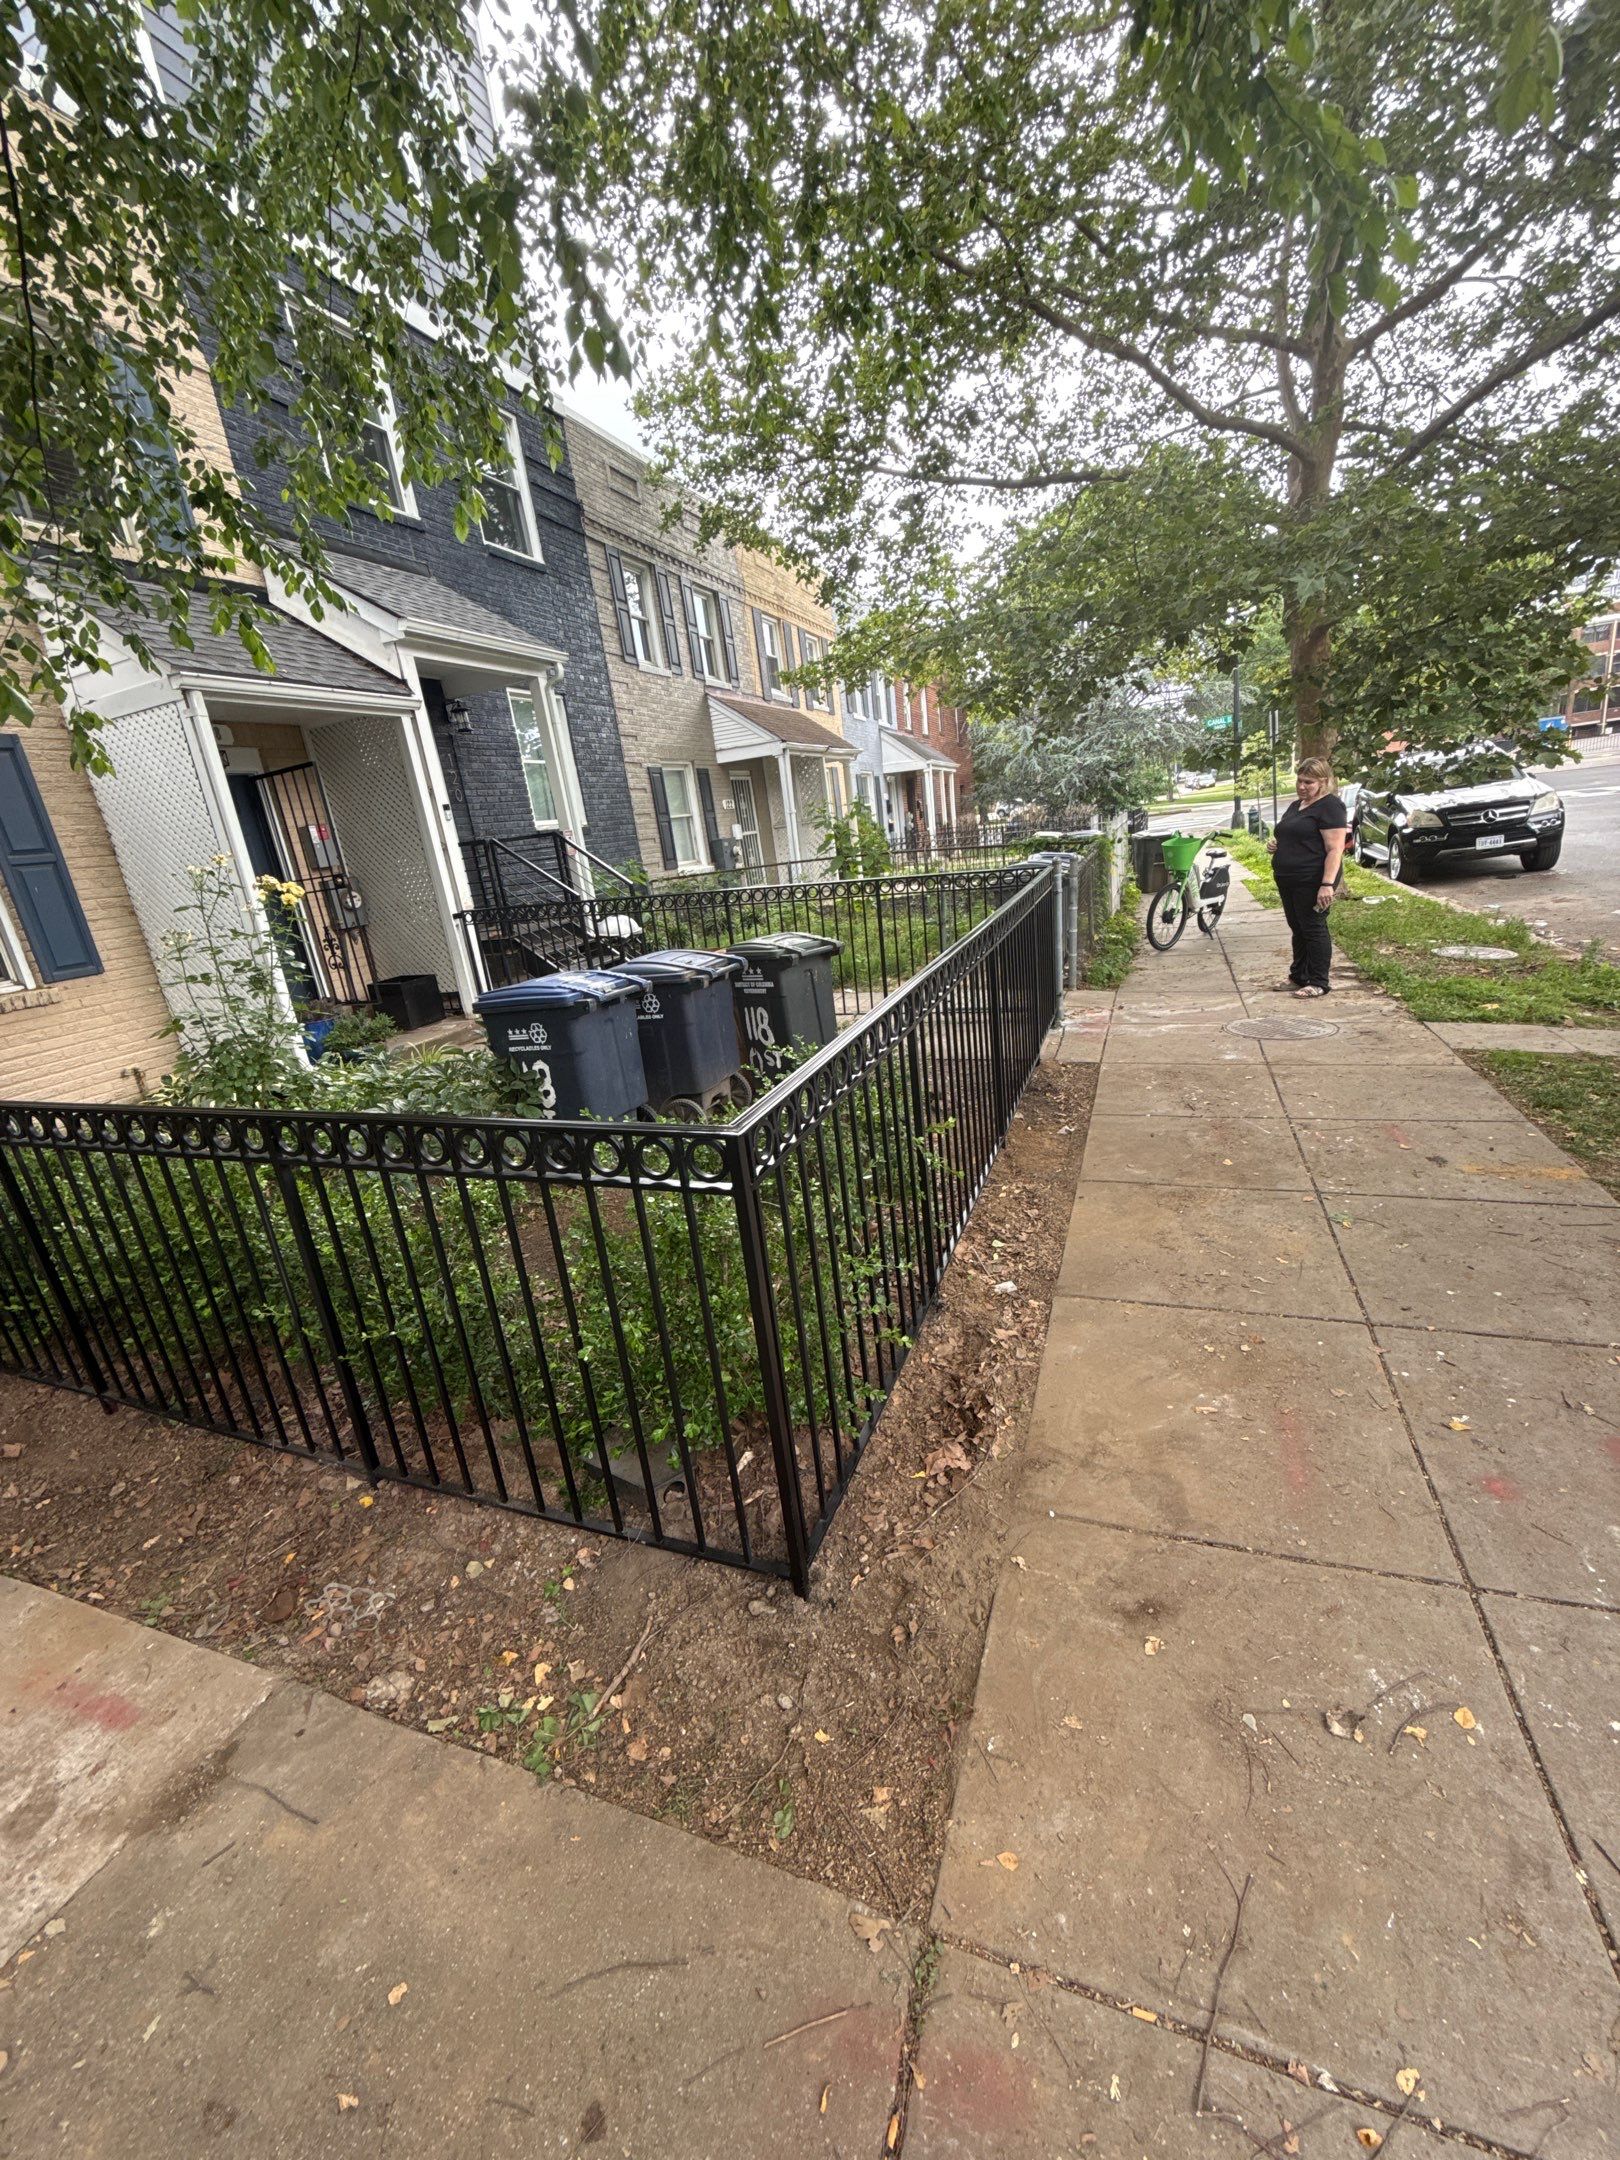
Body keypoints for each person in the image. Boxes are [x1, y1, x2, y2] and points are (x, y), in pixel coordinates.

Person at [1267, 757, 1349, 996]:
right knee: (1298, 927)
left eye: (1308, 782)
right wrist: (1276, 844)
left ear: (1323, 781)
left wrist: (1327, 884)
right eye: (1299, 781)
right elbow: (1293, 835)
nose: (1302, 786)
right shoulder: (1297, 805)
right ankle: (1299, 976)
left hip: (1311, 879)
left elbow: (1335, 849)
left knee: (1313, 927)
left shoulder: (1330, 806)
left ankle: (1318, 981)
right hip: (1287, 877)